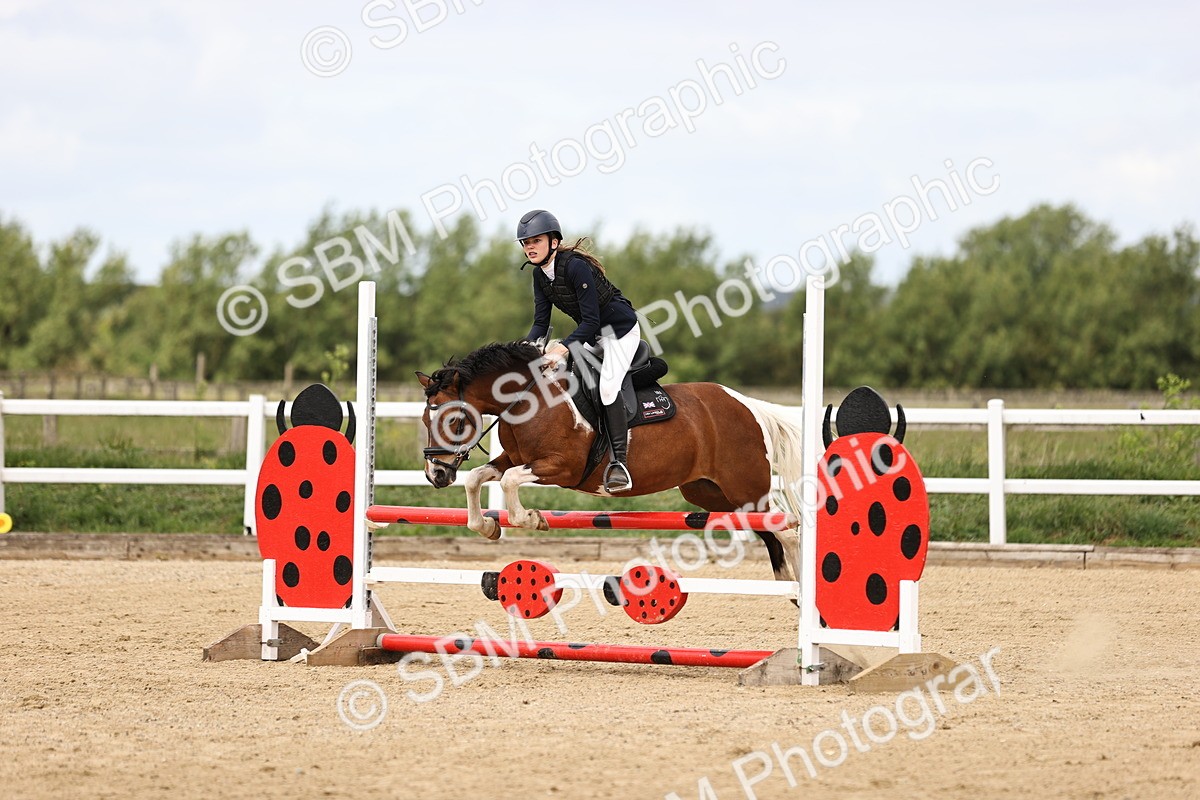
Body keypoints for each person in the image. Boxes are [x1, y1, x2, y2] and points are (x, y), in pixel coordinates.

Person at [517, 209, 642, 493]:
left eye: (535, 240)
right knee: (560, 380)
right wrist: (523, 353)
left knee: (608, 388)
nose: (530, 247)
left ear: (553, 241)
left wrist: (561, 348)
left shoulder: (575, 267)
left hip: (620, 332)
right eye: (525, 243)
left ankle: (619, 463)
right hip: (594, 335)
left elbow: (591, 320)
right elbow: (540, 323)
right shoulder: (540, 275)